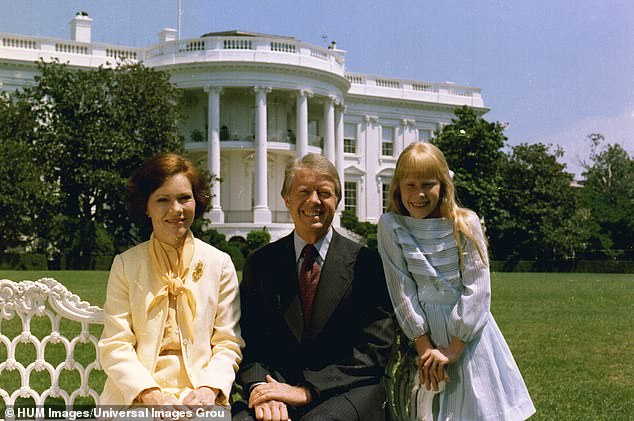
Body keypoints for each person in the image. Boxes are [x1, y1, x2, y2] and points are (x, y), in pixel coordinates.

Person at [377, 142, 535, 420]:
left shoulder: (465, 222)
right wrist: (426, 350)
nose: (419, 194)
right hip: (422, 338)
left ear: (444, 185)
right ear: (398, 187)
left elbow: (477, 289)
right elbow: (401, 290)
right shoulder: (391, 225)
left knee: (479, 409)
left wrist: (453, 350)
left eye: (428, 184)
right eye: (410, 185)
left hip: (468, 338)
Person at [233, 153, 394, 421]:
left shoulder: (366, 264)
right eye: (304, 191)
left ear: (337, 201)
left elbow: (375, 349)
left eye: (324, 193)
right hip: (279, 387)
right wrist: (262, 387)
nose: (314, 201)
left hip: (347, 389)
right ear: (287, 199)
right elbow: (250, 342)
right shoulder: (260, 264)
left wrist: (308, 391)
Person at [98, 153, 243, 409]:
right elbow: (115, 344)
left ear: (196, 201)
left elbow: (227, 342)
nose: (176, 210)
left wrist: (209, 390)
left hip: (201, 396)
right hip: (136, 396)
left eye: (184, 198)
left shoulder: (219, 264)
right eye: (163, 199)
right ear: (146, 206)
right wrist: (149, 394)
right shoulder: (126, 264)